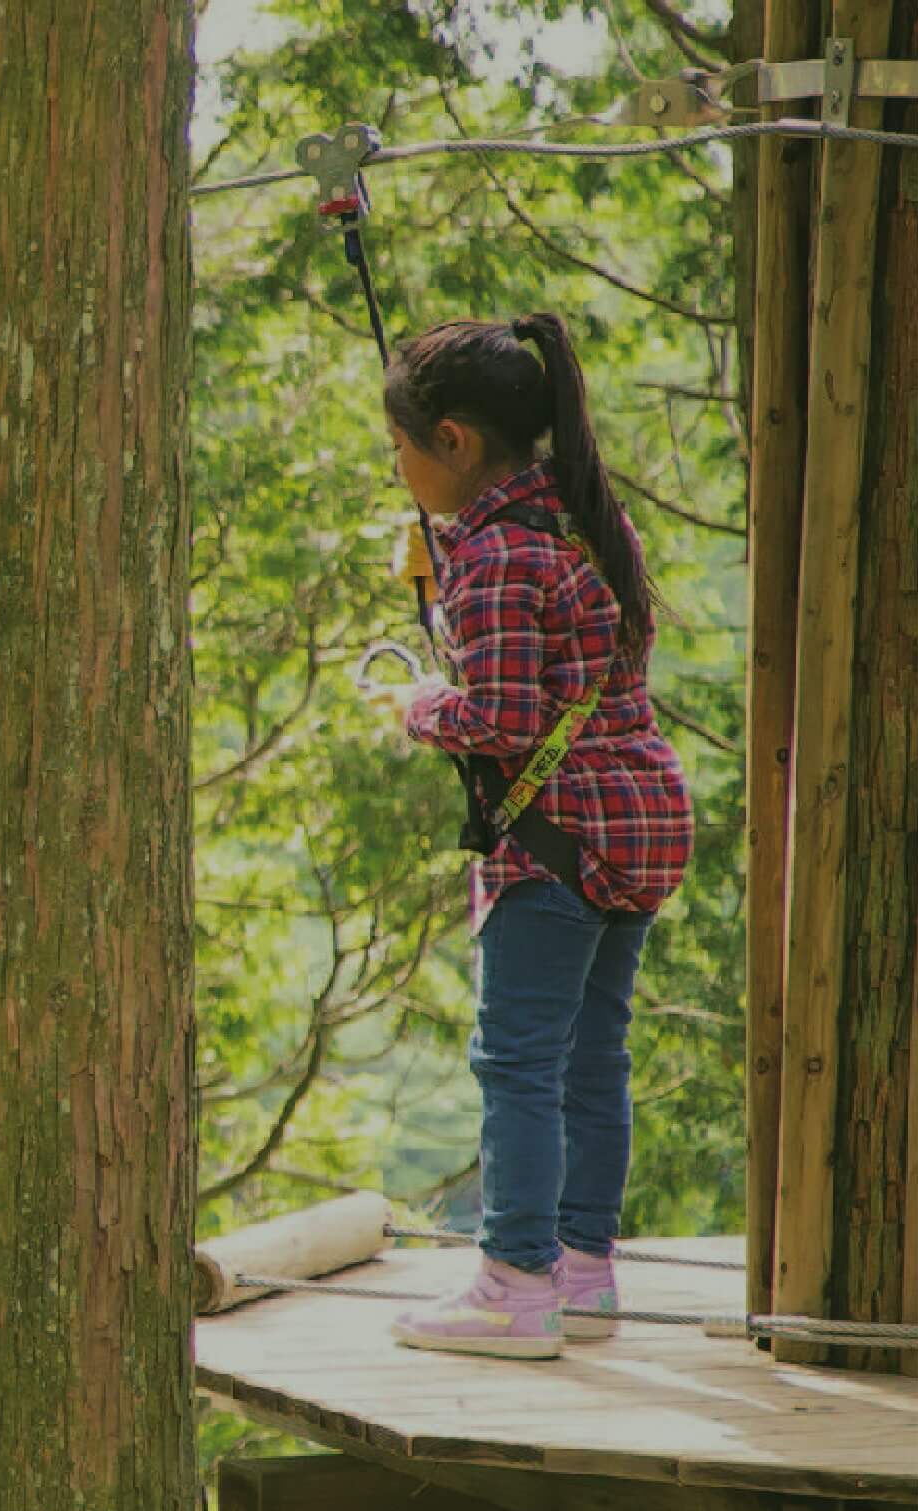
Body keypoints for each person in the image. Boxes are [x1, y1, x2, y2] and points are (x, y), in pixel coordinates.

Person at [366, 315, 691, 1360]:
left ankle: (513, 1280)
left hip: (555, 842)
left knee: (516, 1064)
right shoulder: (583, 517)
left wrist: (421, 703)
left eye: (404, 449)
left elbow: (499, 718)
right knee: (594, 1057)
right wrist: (446, 560)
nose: (402, 466)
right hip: (633, 822)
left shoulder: (498, 556)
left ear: (452, 441)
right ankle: (583, 1267)